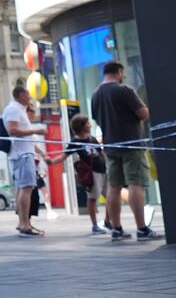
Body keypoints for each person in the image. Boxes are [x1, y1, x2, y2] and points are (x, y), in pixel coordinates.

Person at [89, 62, 158, 241]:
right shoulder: (124, 90)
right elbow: (143, 114)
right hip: (131, 144)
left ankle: (117, 229)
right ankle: (142, 229)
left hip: (111, 146)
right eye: (123, 73)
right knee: (136, 183)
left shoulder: (96, 95)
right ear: (119, 72)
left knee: (114, 186)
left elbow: (97, 118)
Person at [2, 85, 46, 237]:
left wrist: (41, 153)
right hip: (21, 154)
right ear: (20, 95)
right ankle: (24, 223)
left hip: (24, 153)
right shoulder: (13, 109)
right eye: (28, 94)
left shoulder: (19, 110)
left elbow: (26, 137)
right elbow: (12, 130)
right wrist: (36, 130)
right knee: (26, 187)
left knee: (24, 188)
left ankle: (24, 222)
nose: (30, 97)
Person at [52, 115, 107, 235]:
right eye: (87, 124)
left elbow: (101, 153)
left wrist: (108, 165)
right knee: (92, 198)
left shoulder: (92, 138)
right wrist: (51, 161)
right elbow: (64, 156)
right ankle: (94, 225)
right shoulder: (75, 142)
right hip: (92, 173)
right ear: (81, 127)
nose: (90, 125)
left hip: (103, 170)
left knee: (110, 196)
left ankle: (108, 221)